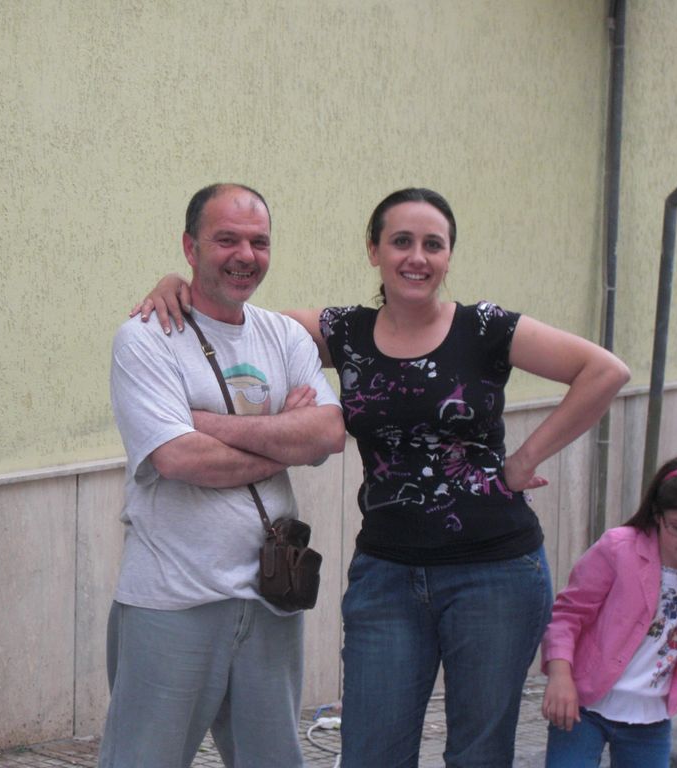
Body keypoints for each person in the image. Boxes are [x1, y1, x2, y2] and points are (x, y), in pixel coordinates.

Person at [134, 187, 631, 767]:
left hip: (495, 573)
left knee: (479, 753)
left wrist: (525, 459)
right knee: (372, 753)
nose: (416, 257)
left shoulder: (486, 327)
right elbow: (231, 314)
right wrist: (176, 283)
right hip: (388, 576)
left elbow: (604, 371)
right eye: (401, 241)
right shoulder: (344, 332)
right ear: (374, 250)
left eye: (433, 245)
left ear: (448, 256)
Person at [102, 183, 345, 767]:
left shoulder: (283, 335)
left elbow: (329, 433)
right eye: (226, 239)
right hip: (174, 599)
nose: (245, 255)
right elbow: (180, 459)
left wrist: (207, 423)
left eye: (259, 242)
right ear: (190, 247)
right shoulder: (146, 338)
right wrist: (285, 437)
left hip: (272, 597)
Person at [541, 455, 677, 767]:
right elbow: (568, 616)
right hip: (581, 705)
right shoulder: (619, 548)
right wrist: (559, 677)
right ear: (657, 515)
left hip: (651, 719)